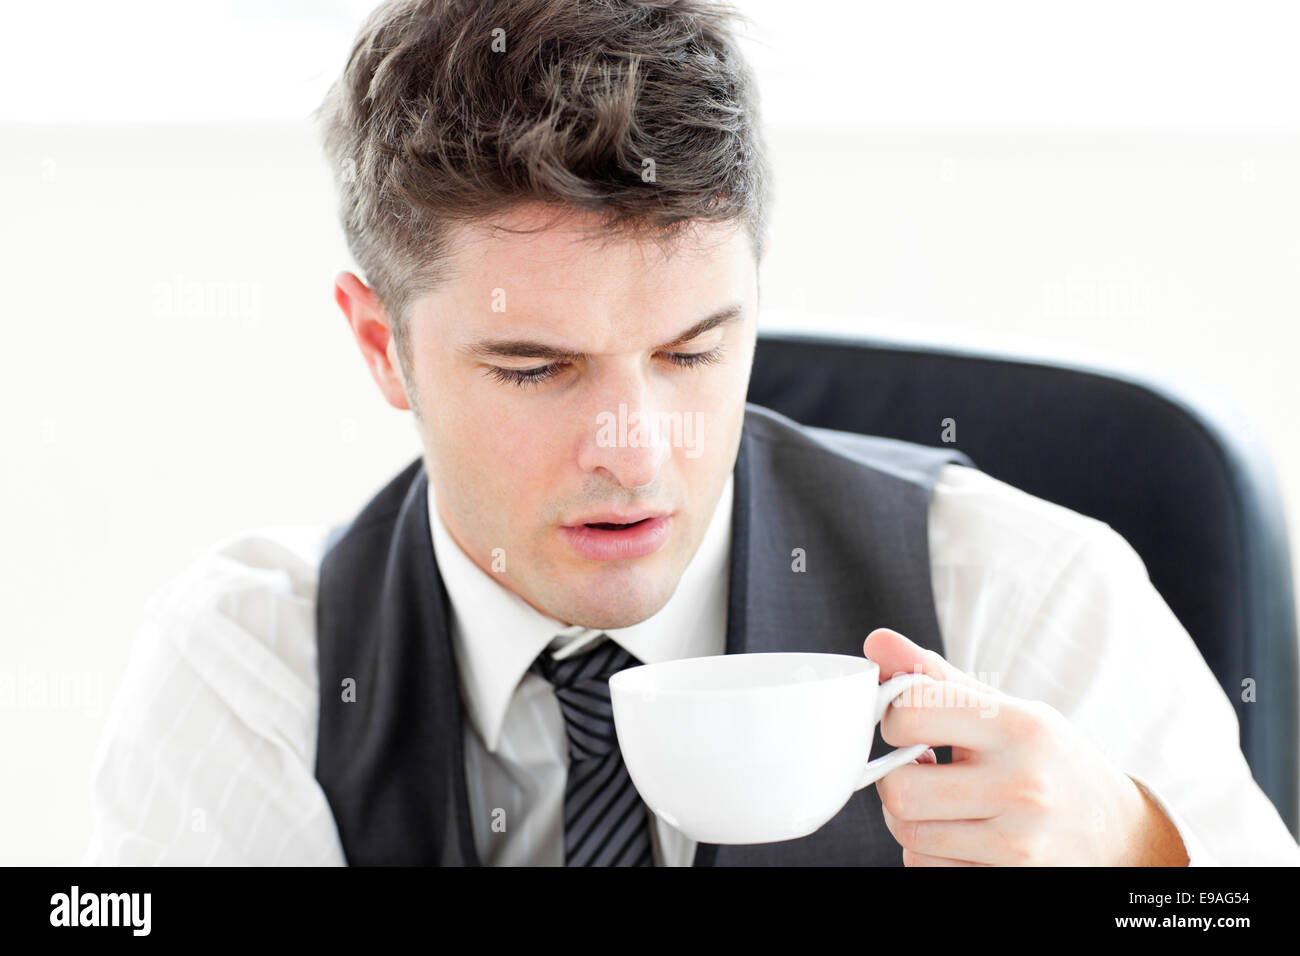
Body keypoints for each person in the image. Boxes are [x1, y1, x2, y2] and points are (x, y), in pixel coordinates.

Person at [84, 0, 1300, 866]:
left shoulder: (1020, 591)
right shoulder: (256, 664)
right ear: (377, 347)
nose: (635, 449)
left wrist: (1141, 858)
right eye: (535, 366)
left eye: (690, 351)